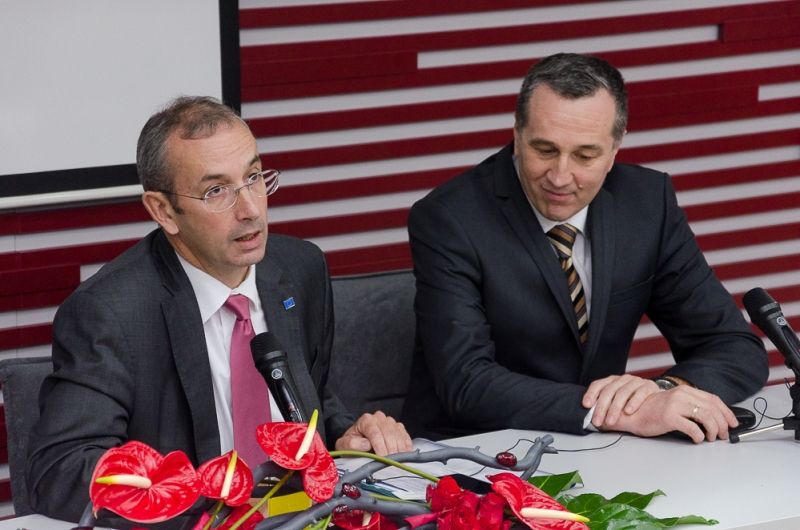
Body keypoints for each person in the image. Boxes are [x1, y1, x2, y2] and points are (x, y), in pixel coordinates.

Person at [26, 96, 411, 526]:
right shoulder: (110, 313)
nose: (250, 210)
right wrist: (193, 498)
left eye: (253, 177)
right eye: (217, 191)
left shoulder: (301, 270)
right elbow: (60, 471)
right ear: (164, 211)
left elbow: (310, 397)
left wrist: (344, 435)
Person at [402, 53, 768, 444]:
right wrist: (616, 412)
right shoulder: (449, 219)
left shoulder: (647, 204)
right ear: (517, 133)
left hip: (602, 451)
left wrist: (660, 391)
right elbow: (466, 381)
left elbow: (735, 347)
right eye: (544, 150)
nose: (561, 176)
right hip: (474, 450)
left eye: (585, 155)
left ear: (615, 147)